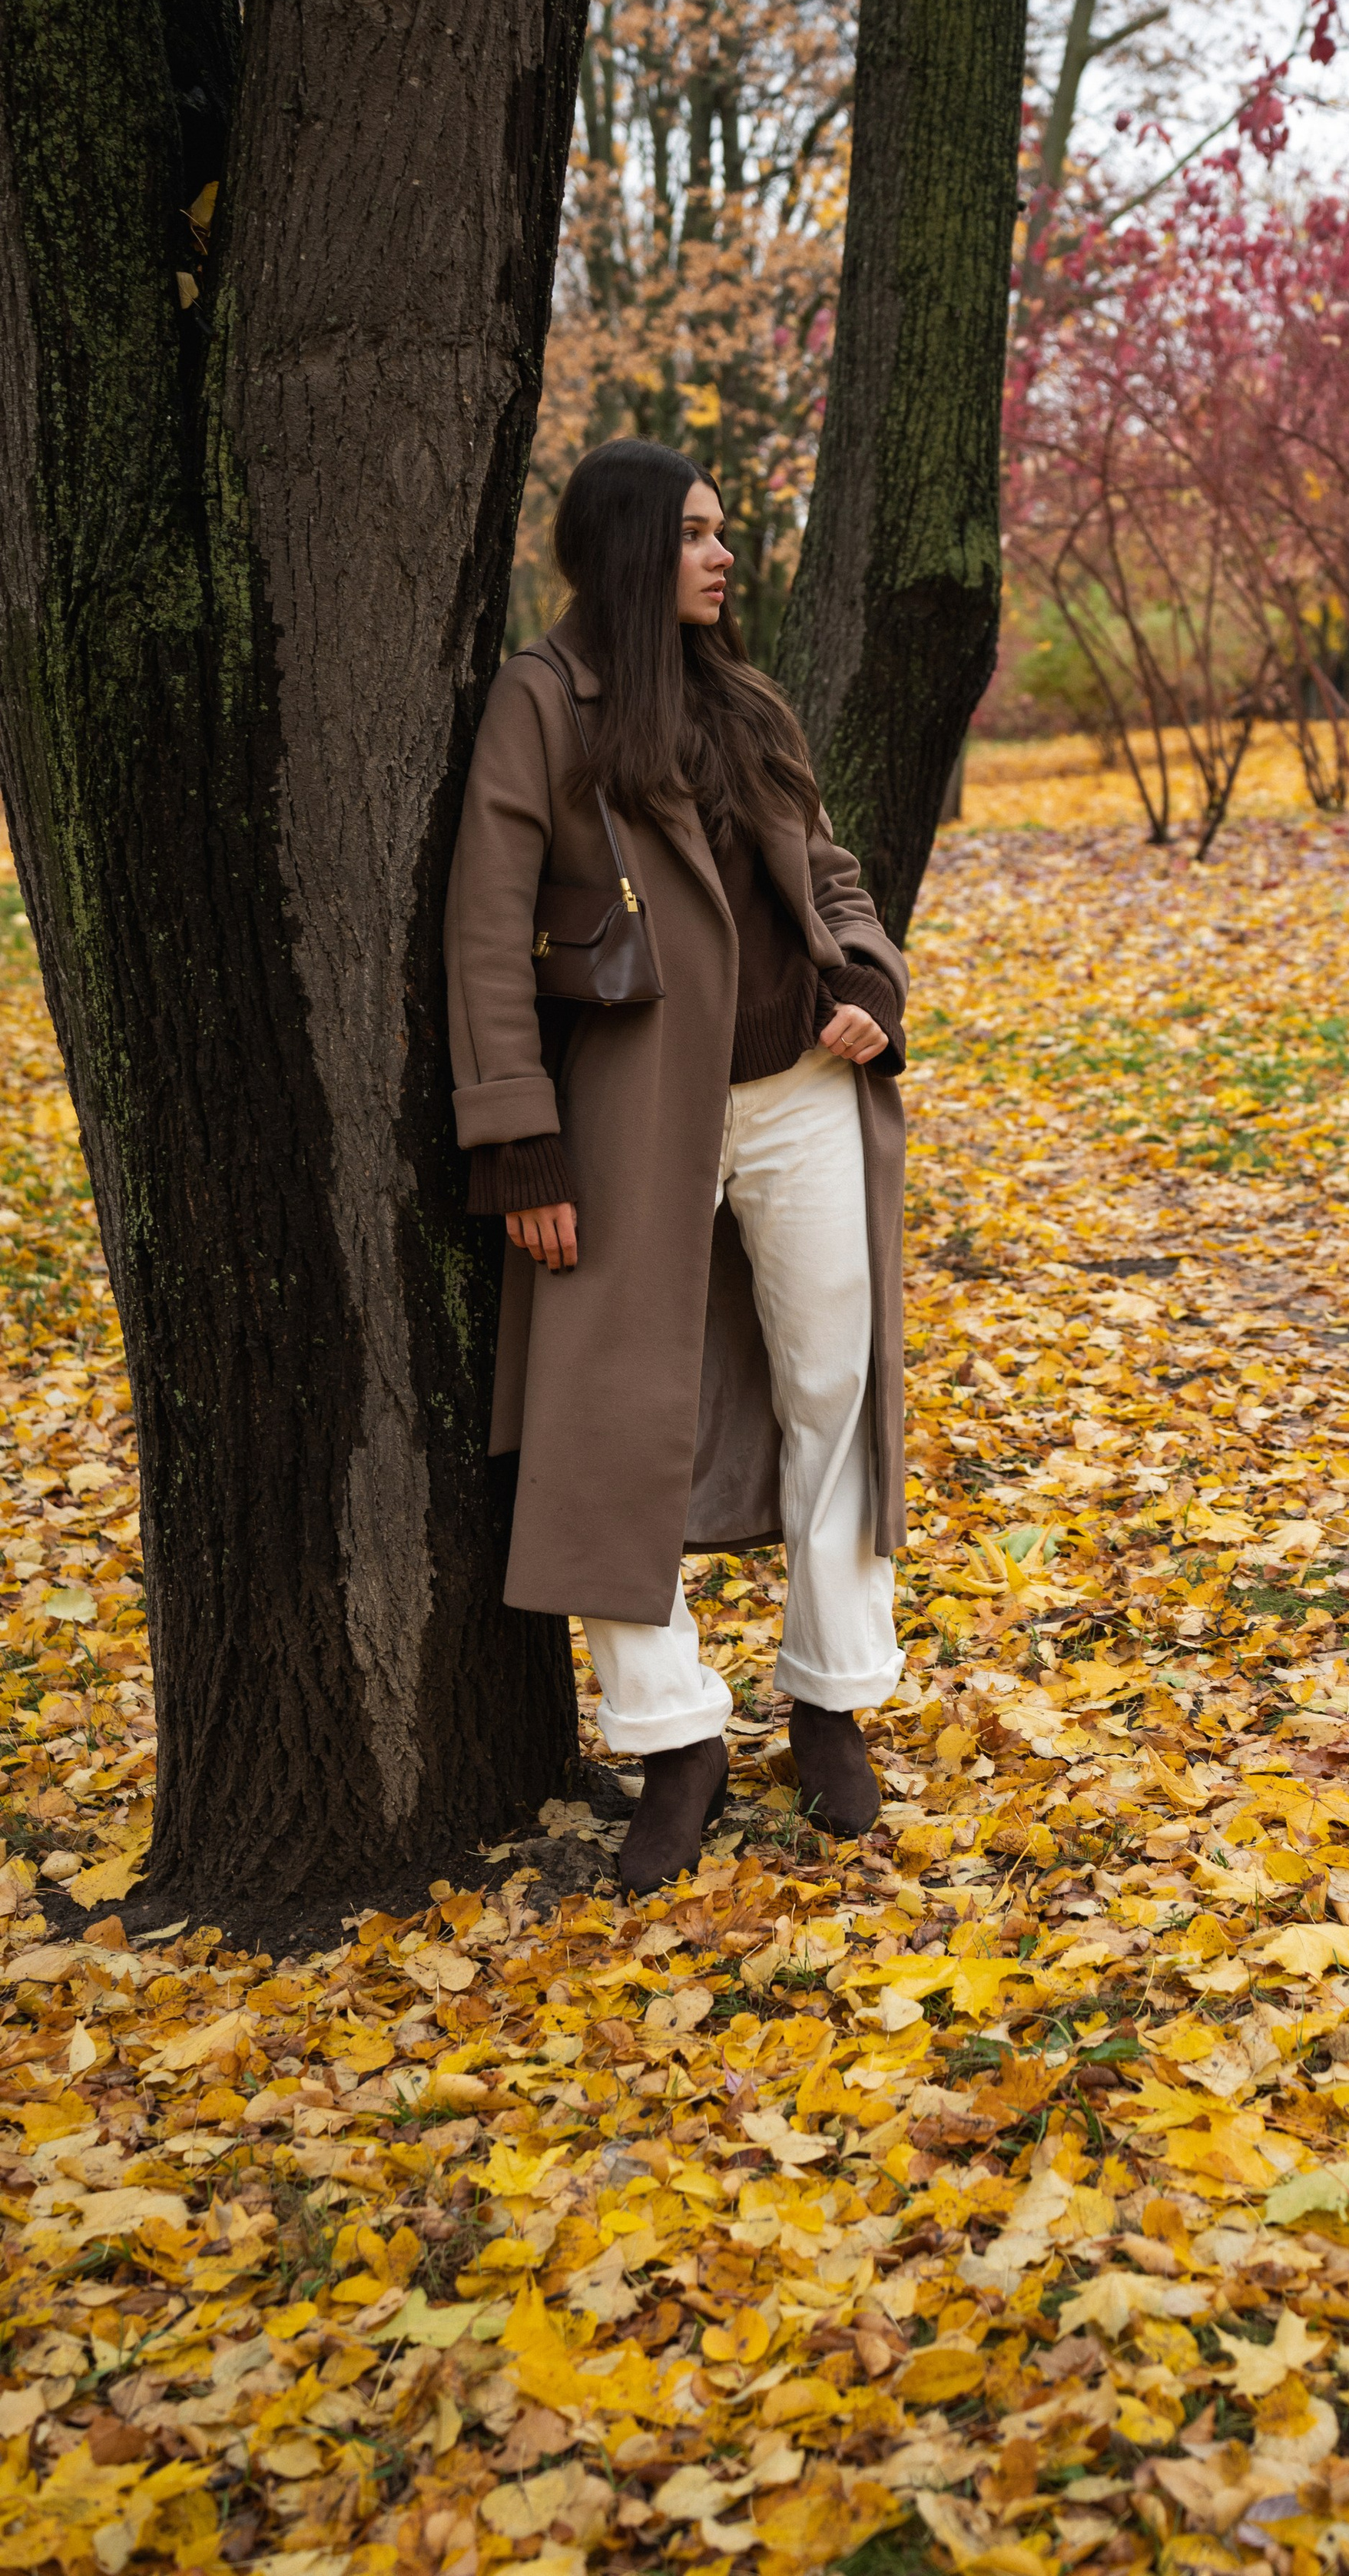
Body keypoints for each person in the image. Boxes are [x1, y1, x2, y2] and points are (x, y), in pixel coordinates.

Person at [444, 437, 909, 1888]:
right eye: (699, 535)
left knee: (837, 1384)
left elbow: (832, 876)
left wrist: (872, 989)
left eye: (724, 532)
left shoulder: (745, 700)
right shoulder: (546, 699)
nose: (723, 557)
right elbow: (485, 924)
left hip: (799, 1088)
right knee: (606, 1414)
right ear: (635, 548)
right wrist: (519, 1139)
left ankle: (831, 1702)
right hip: (635, 1110)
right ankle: (673, 1739)